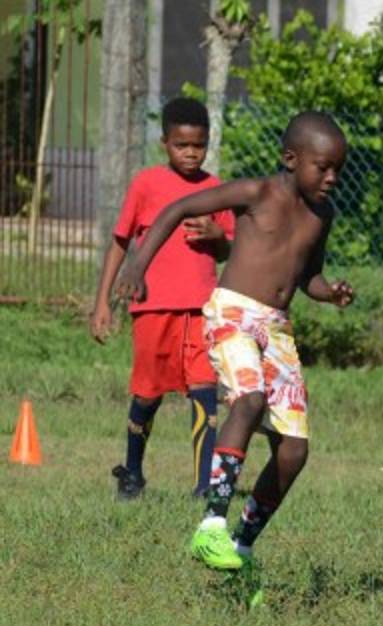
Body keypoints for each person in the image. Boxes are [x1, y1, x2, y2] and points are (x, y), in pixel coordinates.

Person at [115, 111, 354, 571]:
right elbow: (179, 209)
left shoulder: (323, 214)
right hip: (232, 313)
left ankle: (243, 544)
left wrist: (330, 292)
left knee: (295, 448)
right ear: (290, 158)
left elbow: (310, 276)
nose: (331, 177)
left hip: (277, 327)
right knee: (248, 400)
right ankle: (211, 525)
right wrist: (137, 263)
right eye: (321, 167)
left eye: (337, 169)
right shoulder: (256, 193)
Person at [92, 97, 235, 500]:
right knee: (147, 393)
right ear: (164, 143)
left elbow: (229, 248)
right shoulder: (146, 184)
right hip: (153, 308)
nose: (191, 153)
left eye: (199, 145)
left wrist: (217, 238)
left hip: (203, 310)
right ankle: (132, 472)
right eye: (181, 145)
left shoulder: (215, 190)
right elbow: (119, 244)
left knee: (206, 391)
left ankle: (204, 486)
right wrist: (102, 301)